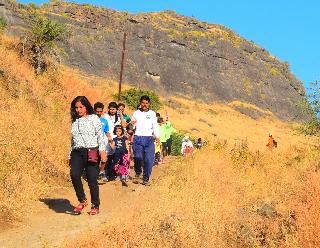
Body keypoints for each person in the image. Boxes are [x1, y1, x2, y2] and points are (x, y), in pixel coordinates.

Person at [69, 96, 107, 215]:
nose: (78, 110)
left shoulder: (94, 118)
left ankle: (95, 205)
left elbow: (100, 135)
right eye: (76, 108)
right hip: (77, 152)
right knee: (74, 174)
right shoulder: (75, 121)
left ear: (86, 107)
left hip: (92, 151)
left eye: (81, 107)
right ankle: (82, 200)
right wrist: (69, 155)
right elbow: (73, 140)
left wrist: (102, 151)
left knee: (92, 179)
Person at [130, 95, 160, 186]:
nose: (144, 105)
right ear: (140, 103)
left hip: (149, 139)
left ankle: (146, 178)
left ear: (149, 104)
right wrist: (130, 127)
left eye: (146, 103)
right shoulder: (136, 113)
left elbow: (155, 126)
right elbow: (132, 124)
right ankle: (138, 172)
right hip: (138, 138)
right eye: (143, 103)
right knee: (138, 157)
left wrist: (157, 136)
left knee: (149, 160)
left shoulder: (152, 113)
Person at [103, 102, 126, 181]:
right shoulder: (105, 116)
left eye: (114, 109)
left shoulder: (119, 117)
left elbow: (124, 125)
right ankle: (108, 174)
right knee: (108, 157)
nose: (112, 111)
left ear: (116, 109)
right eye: (111, 109)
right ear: (108, 109)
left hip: (117, 140)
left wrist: (121, 114)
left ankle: (119, 174)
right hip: (107, 139)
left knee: (118, 157)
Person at [94, 102, 110, 182]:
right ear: (94, 110)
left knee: (104, 159)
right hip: (92, 143)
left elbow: (106, 131)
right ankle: (94, 176)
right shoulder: (91, 119)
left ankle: (101, 172)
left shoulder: (104, 120)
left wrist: (110, 138)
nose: (99, 113)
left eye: (100, 111)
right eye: (97, 111)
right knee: (95, 160)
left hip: (102, 143)